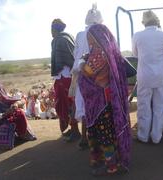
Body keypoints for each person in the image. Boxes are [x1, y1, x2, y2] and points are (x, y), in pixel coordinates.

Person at [76, 21, 131, 175]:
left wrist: (81, 63)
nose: (88, 40)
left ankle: (111, 166)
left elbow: (86, 72)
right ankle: (104, 161)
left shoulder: (99, 54)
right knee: (103, 132)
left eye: (90, 36)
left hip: (100, 102)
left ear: (96, 36)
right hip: (103, 100)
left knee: (103, 133)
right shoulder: (105, 51)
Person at [132, 10, 163, 144]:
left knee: (144, 107)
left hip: (145, 76)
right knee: (159, 107)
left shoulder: (137, 36)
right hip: (161, 76)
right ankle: (156, 138)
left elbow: (135, 54)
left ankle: (143, 136)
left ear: (143, 22)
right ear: (157, 21)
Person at [69, 4, 104, 150]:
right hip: (98, 76)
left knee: (83, 106)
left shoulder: (79, 34)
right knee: (99, 106)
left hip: (82, 74)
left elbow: (76, 56)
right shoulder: (102, 32)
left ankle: (84, 138)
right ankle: (100, 139)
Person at [51, 18, 80, 141]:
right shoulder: (69, 37)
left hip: (65, 77)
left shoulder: (59, 40)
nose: (50, 31)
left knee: (68, 104)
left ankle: (75, 131)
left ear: (55, 29)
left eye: (51, 28)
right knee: (69, 103)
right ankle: (74, 129)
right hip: (68, 75)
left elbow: (64, 60)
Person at [0, 84, 36, 149]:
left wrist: (16, 104)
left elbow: (23, 101)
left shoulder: (6, 98)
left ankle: (23, 134)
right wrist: (4, 114)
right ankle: (4, 142)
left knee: (19, 112)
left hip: (9, 119)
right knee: (7, 122)